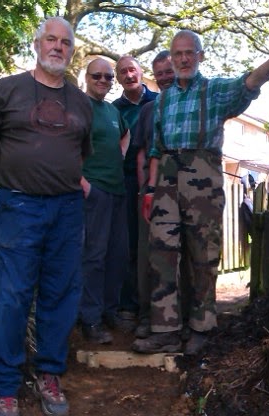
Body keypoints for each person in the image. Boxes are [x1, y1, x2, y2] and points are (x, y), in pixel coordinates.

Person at [133, 23, 269, 356]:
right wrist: (151, 189)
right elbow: (155, 148)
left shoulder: (214, 91)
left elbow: (250, 82)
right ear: (172, 58)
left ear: (200, 56)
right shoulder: (163, 100)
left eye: (189, 53)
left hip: (203, 181)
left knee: (203, 253)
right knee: (161, 254)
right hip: (166, 180)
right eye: (178, 54)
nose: (183, 59)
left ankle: (201, 328)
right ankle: (166, 331)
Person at [0, 17, 92, 416]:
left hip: (67, 211)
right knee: (11, 296)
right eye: (50, 40)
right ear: (37, 45)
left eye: (65, 42)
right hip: (19, 208)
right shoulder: (8, 89)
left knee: (60, 295)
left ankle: (49, 374)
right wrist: (11, 180)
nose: (58, 47)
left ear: (71, 50)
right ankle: (4, 385)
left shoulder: (81, 103)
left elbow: (79, 154)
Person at [79, 58, 130, 344]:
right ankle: (91, 319)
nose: (103, 80)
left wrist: (121, 153)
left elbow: (126, 133)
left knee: (117, 255)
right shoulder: (79, 106)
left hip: (117, 191)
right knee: (94, 257)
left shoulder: (112, 111)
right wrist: (83, 184)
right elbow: (66, 145)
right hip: (94, 191)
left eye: (108, 77)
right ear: (87, 77)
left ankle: (110, 311)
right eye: (96, 75)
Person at [130, 50, 176, 339]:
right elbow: (140, 154)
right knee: (148, 255)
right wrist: (144, 188)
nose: (164, 78)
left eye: (169, 71)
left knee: (180, 258)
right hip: (152, 192)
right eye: (159, 74)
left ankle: (179, 319)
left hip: (186, 192)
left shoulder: (193, 104)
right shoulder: (148, 110)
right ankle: (146, 316)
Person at [111, 55, 159, 329]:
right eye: (123, 72)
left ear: (141, 72)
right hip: (127, 182)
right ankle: (130, 304)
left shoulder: (158, 102)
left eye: (132, 70)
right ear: (118, 78)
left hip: (158, 180)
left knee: (158, 243)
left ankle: (158, 305)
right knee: (129, 243)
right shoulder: (114, 109)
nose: (128, 75)